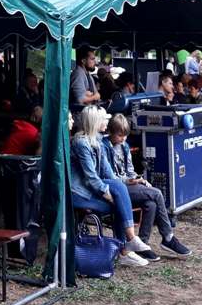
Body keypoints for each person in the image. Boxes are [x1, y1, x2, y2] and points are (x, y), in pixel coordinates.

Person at [69, 105, 153, 267]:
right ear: (94, 122)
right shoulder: (81, 143)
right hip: (79, 192)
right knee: (117, 204)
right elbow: (91, 177)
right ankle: (126, 248)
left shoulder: (97, 140)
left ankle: (127, 245)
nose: (107, 122)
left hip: (90, 188)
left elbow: (108, 173)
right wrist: (108, 194)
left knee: (118, 191)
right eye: (103, 119)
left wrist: (122, 185)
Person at [104, 115, 190, 259]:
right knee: (156, 193)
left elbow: (130, 170)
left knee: (151, 204)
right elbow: (109, 176)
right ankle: (168, 237)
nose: (123, 139)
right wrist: (128, 180)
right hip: (117, 188)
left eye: (125, 135)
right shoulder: (104, 147)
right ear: (110, 132)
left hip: (127, 184)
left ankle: (142, 243)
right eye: (119, 135)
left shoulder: (124, 146)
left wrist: (139, 179)